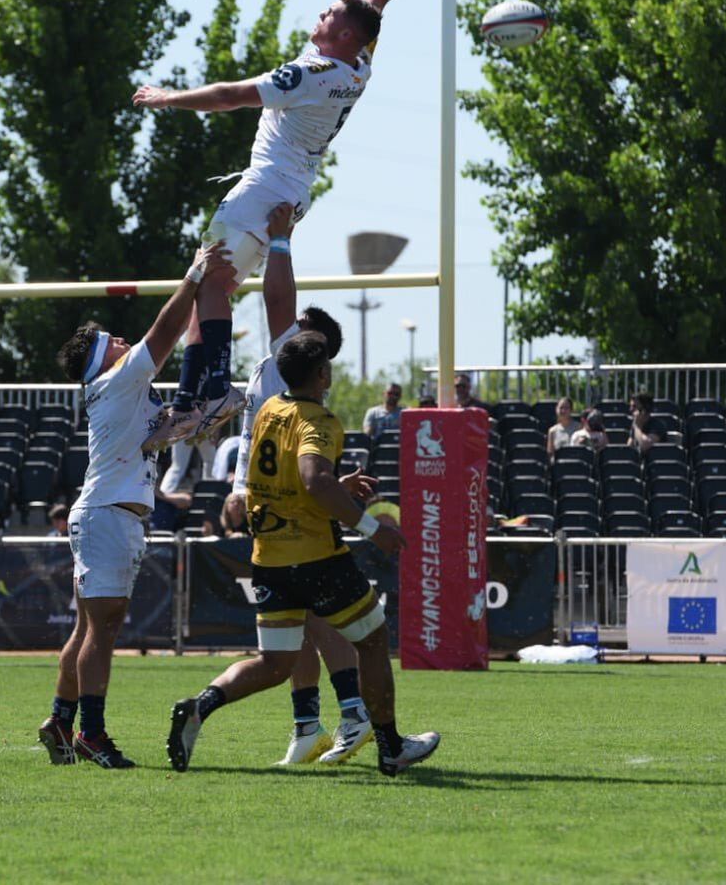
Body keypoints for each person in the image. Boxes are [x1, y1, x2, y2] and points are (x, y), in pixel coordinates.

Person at [133, 0, 459, 445]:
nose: (321, 13)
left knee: (209, 282)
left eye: (329, 14)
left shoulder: (308, 77)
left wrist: (166, 98)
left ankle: (214, 390)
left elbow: (229, 96)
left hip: (263, 187)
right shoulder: (357, 63)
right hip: (291, 189)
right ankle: (191, 398)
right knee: (209, 286)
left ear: (345, 35)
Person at [166, 332, 439, 777]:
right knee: (371, 639)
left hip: (269, 557)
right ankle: (390, 747)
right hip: (315, 556)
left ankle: (201, 705)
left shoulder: (270, 410)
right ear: (322, 374)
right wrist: (371, 529)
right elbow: (312, 477)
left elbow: (285, 477)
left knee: (275, 663)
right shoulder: (322, 421)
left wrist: (336, 485)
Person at [39, 242, 231, 769]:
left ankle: (61, 720)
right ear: (102, 358)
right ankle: (91, 734)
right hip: (109, 514)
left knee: (88, 627)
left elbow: (158, 434)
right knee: (103, 628)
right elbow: (164, 335)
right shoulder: (116, 379)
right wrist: (193, 278)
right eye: (111, 341)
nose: (122, 342)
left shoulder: (117, 390)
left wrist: (203, 416)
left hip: (106, 512)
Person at [227, 204, 372, 766]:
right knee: (294, 624)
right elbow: (250, 428)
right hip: (271, 505)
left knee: (317, 617)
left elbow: (277, 299)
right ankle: (309, 724)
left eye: (302, 332)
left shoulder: (296, 367)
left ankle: (354, 715)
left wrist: (281, 239)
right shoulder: (272, 368)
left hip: (294, 509)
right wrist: (238, 484)